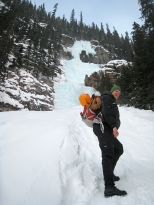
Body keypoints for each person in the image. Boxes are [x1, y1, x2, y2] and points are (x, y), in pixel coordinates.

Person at [93, 85, 127, 197]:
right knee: (108, 154)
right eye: (115, 91)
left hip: (106, 129)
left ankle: (109, 174)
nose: (117, 93)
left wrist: (113, 127)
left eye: (119, 91)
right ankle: (109, 187)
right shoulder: (107, 98)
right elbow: (108, 113)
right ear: (111, 91)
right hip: (103, 128)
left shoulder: (110, 99)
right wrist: (114, 126)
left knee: (118, 148)